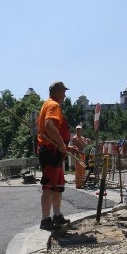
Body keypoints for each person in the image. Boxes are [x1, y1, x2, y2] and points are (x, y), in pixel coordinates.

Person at [36, 81, 72, 230]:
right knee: (49, 186)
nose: (65, 95)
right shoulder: (53, 105)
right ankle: (45, 219)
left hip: (55, 151)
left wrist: (65, 146)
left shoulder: (48, 104)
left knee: (57, 186)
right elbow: (50, 125)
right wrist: (61, 144)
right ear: (57, 91)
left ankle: (56, 216)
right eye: (63, 91)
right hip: (51, 151)